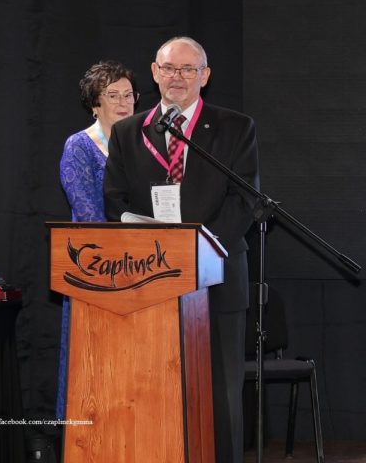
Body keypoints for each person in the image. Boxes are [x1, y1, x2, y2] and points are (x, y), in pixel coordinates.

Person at [104, 37, 259, 462]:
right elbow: (115, 202)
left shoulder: (235, 127)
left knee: (221, 395)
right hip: (149, 279)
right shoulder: (127, 132)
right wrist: (161, 254)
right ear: (155, 73)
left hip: (217, 276)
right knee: (152, 389)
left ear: (204, 77)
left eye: (189, 69)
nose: (178, 77)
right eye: (170, 68)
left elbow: (244, 200)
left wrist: (198, 252)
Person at [57, 60, 138, 418]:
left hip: (141, 266)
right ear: (95, 103)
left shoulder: (143, 145)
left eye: (129, 95)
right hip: (95, 267)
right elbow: (88, 213)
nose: (123, 103)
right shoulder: (79, 146)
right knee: (92, 363)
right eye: (113, 95)